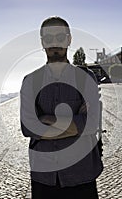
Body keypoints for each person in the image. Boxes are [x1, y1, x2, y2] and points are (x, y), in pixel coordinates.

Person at [20, 16, 103, 199]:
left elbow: (90, 125)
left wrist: (46, 119)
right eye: (48, 38)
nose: (54, 43)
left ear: (68, 39)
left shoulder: (86, 78)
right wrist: (76, 124)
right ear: (42, 42)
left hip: (81, 174)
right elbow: (28, 128)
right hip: (44, 177)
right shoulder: (30, 82)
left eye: (59, 37)